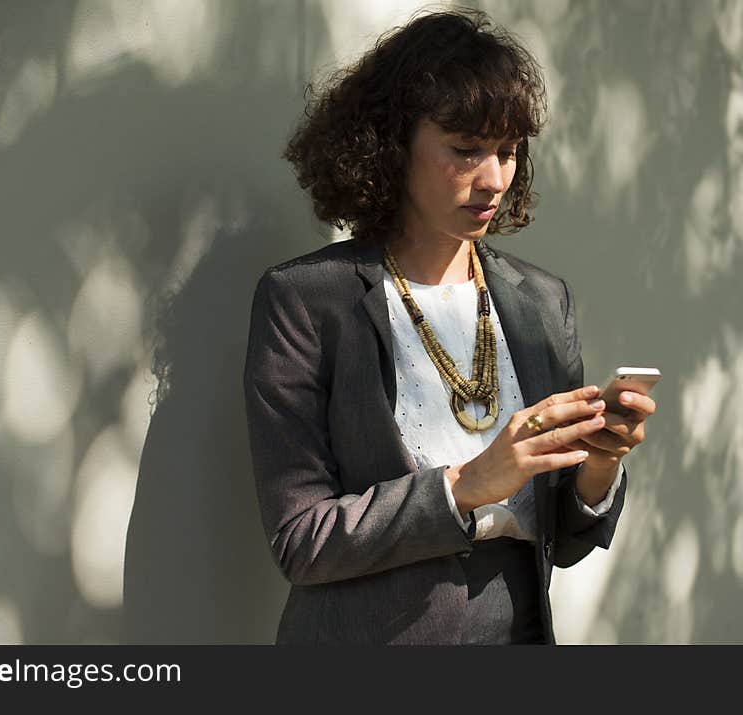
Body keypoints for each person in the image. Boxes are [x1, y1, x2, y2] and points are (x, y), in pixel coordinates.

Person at [242, 8, 656, 645]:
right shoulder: (305, 300)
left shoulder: (542, 302)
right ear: (391, 143)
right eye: (465, 151)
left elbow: (565, 543)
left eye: (508, 152)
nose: (493, 179)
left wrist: (599, 467)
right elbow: (303, 539)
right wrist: (465, 486)